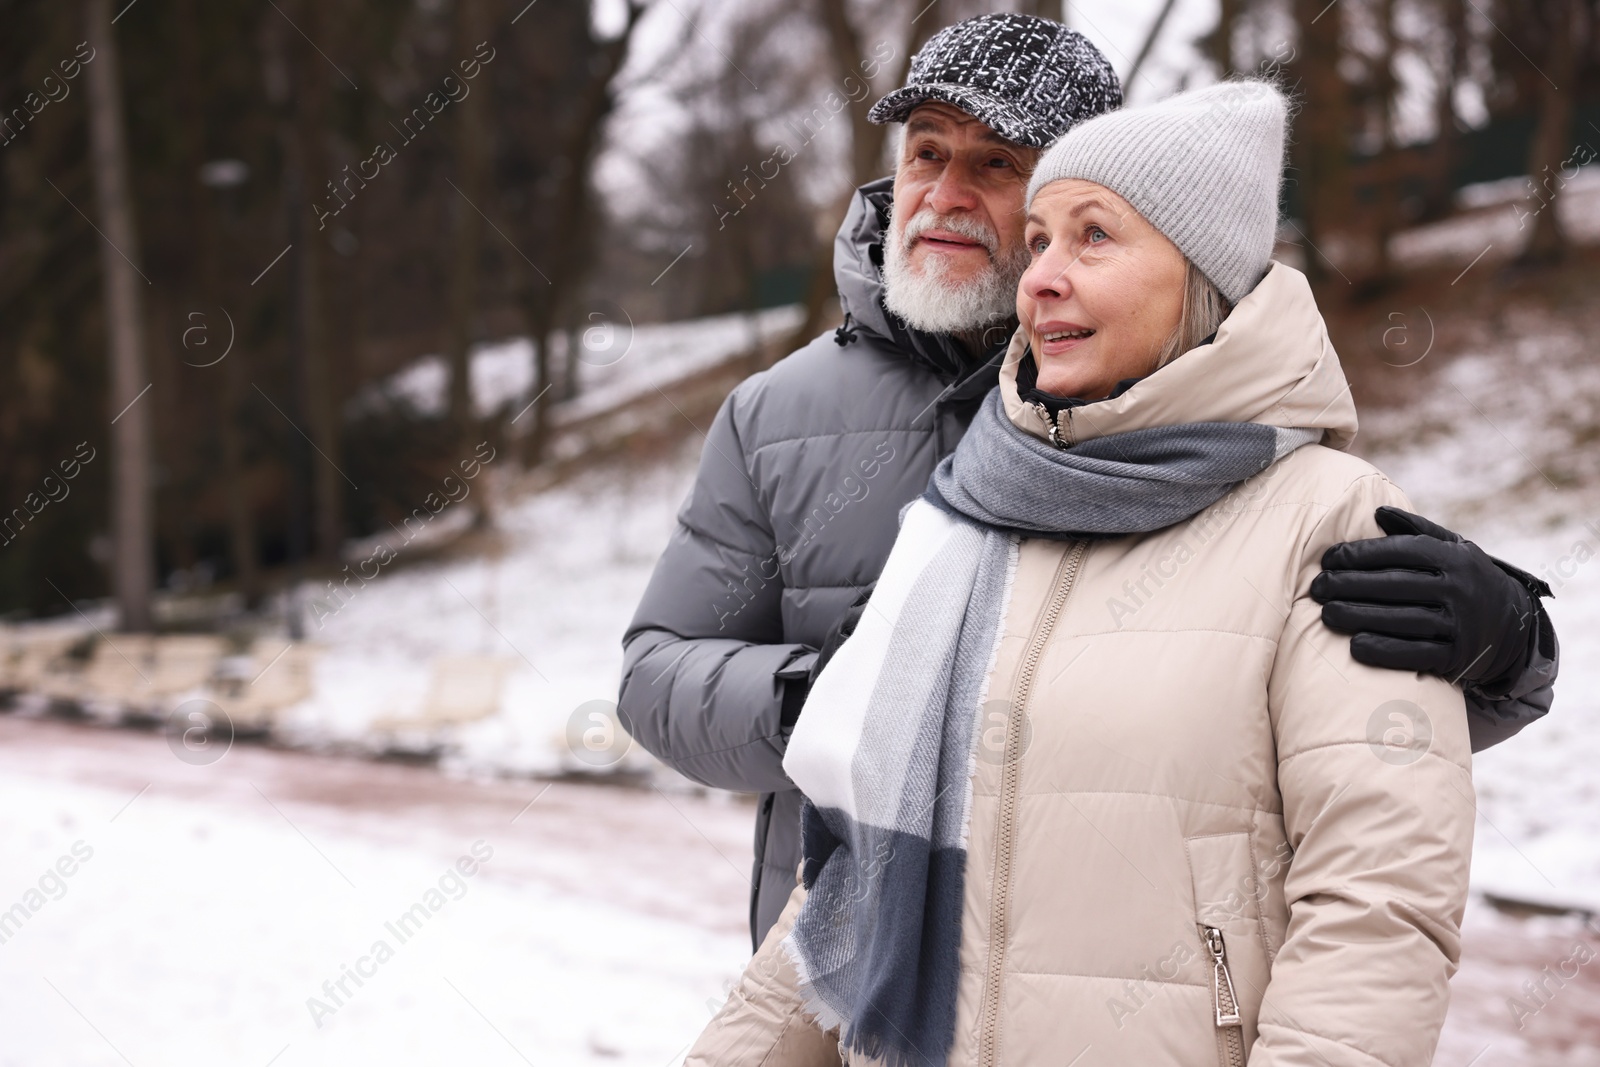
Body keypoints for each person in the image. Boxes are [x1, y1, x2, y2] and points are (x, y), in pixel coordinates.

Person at [619, 12, 1556, 955]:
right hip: (839, 975)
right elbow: (657, 672)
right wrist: (819, 693)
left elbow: (1313, 704)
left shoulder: (1174, 400)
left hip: (1102, 986)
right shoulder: (774, 415)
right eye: (925, 153)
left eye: (994, 165)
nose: (942, 195)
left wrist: (1505, 643)